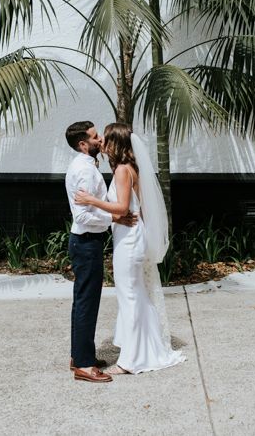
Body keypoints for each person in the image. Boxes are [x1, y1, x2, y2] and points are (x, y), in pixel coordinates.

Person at [75, 123, 185, 375]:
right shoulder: (128, 167)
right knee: (137, 295)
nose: (102, 142)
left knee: (130, 297)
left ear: (117, 143)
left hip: (129, 240)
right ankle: (147, 348)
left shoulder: (123, 170)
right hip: (131, 236)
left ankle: (131, 360)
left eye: (106, 139)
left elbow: (123, 208)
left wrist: (90, 200)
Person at [64, 121, 136, 383]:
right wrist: (113, 220)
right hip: (85, 242)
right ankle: (83, 365)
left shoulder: (86, 166)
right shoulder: (84, 171)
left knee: (84, 300)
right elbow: (83, 216)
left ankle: (79, 355)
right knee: (86, 302)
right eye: (95, 138)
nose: (101, 141)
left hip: (86, 242)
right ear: (83, 144)